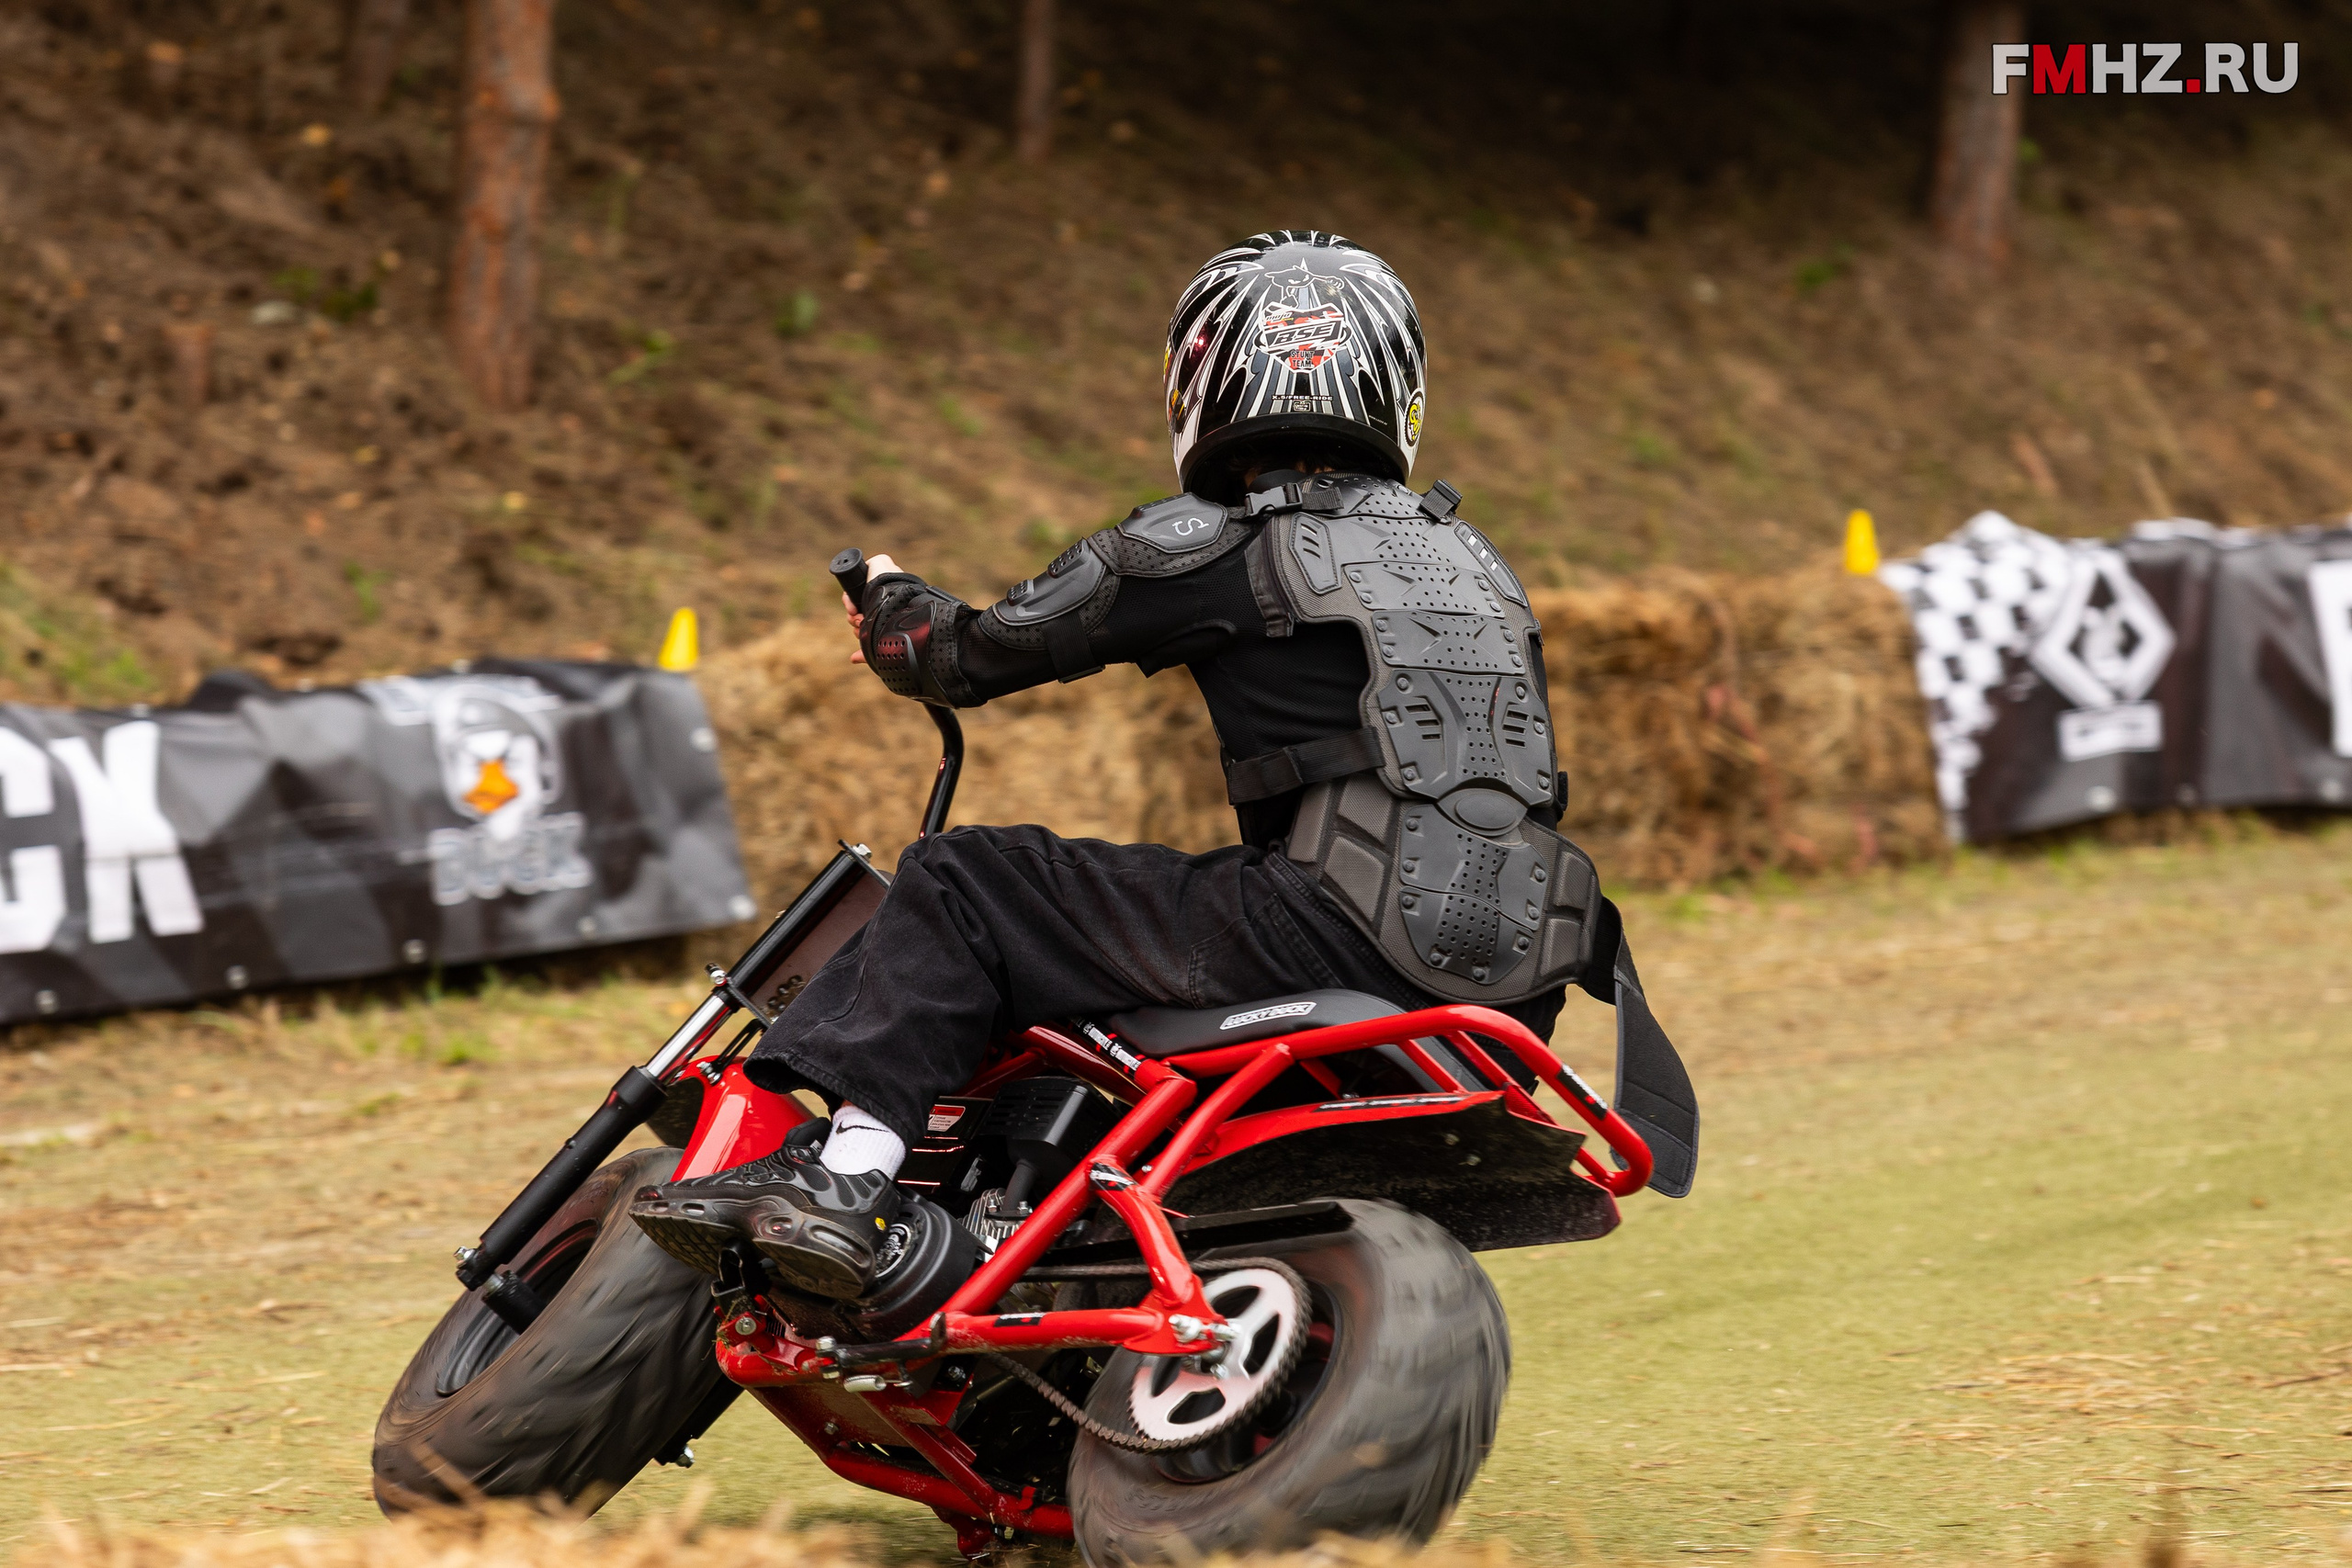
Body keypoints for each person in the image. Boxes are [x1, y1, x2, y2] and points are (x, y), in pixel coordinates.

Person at [629, 230, 1690, 1302]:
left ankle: (846, 1177)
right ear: (1395, 382)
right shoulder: (1477, 565)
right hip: (1526, 985)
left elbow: (961, 654)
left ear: (1206, 374)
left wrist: (892, 606)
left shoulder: (1216, 539)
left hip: (1334, 927)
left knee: (967, 880)